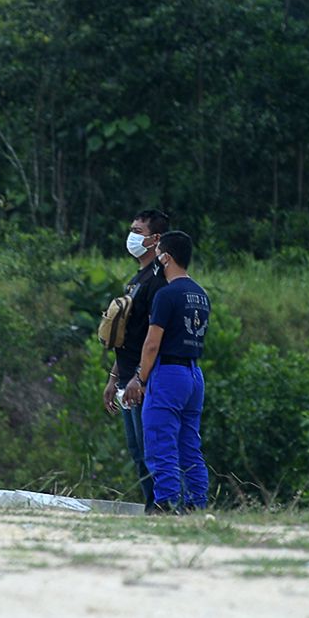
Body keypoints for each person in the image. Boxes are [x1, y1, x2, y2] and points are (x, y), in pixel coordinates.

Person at [123, 231, 211, 513]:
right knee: (189, 445)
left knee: (160, 442)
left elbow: (151, 344)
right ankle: (196, 504)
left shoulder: (166, 295)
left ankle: (166, 502)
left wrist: (140, 378)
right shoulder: (201, 294)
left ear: (167, 257)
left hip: (168, 373)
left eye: (159, 251)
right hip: (194, 375)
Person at [102, 209, 170, 514]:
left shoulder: (158, 280)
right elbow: (128, 335)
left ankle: (163, 505)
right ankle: (150, 505)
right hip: (127, 375)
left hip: (143, 379)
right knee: (136, 450)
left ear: (156, 239)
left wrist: (140, 377)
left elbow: (153, 336)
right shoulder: (135, 279)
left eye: (138, 231)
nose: (131, 236)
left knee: (150, 447)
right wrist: (114, 377)